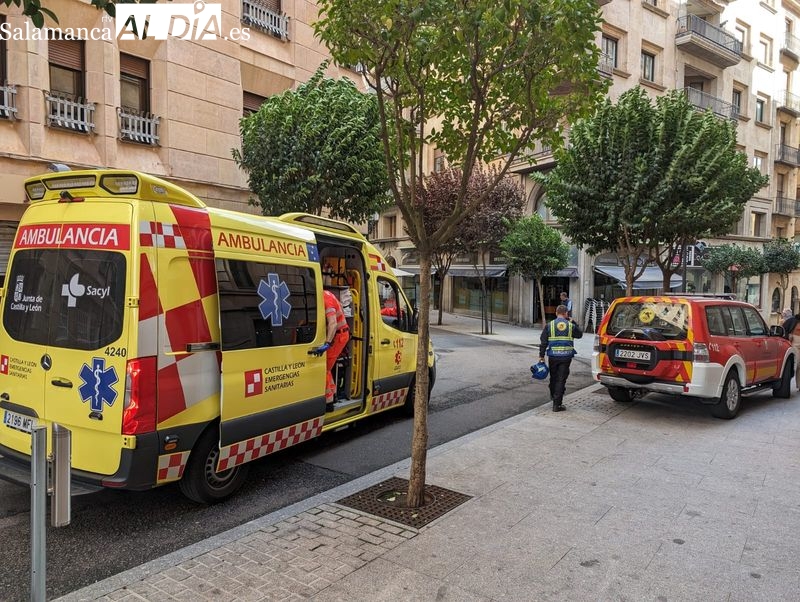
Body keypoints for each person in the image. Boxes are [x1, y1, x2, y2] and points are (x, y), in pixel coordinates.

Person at [310, 289, 350, 409]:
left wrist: (327, 343)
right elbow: (341, 309)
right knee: (327, 368)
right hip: (340, 334)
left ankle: (329, 401)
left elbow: (332, 323)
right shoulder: (327, 293)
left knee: (325, 368)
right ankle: (333, 394)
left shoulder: (325, 299)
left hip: (338, 336)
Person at [539, 304, 583, 412]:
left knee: (553, 378)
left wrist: (541, 356)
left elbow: (543, 341)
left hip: (553, 357)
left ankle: (554, 397)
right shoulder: (570, 325)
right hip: (565, 357)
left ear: (556, 313)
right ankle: (557, 404)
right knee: (561, 379)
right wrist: (574, 322)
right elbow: (579, 334)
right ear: (566, 314)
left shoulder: (550, 325)